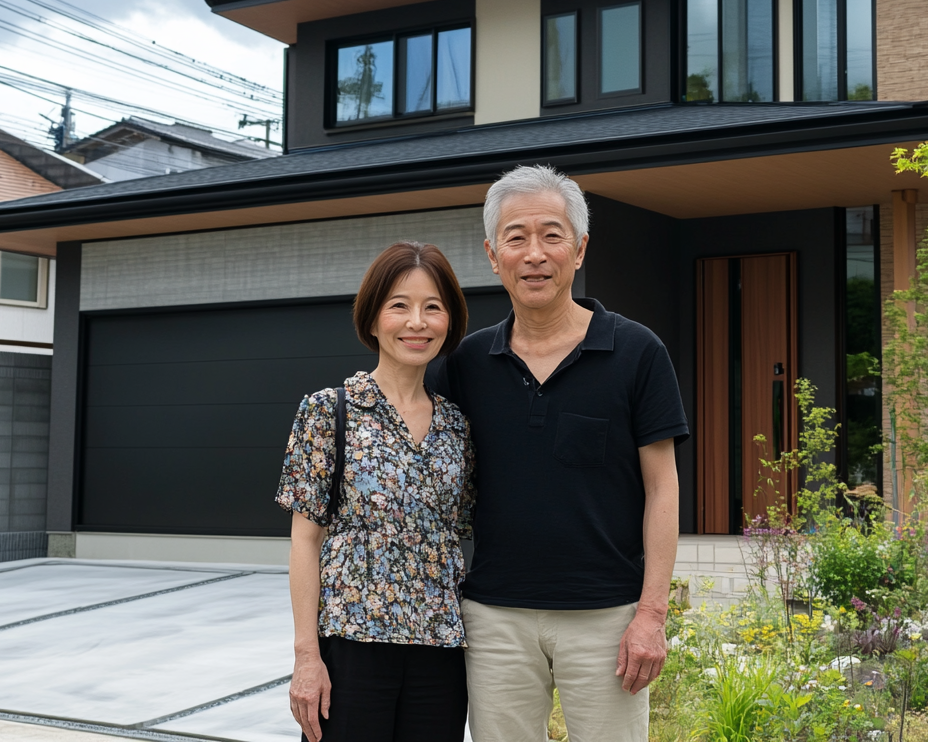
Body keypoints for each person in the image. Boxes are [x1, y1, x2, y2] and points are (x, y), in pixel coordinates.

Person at [432, 165, 687, 742]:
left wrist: (651, 615)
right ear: (493, 255)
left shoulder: (637, 351)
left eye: (552, 234)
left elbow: (662, 487)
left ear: (580, 248)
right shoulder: (466, 365)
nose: (534, 254)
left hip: (606, 616)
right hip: (495, 615)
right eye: (516, 237)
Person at [276, 241, 474, 742]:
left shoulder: (458, 425)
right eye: (400, 306)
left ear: (450, 321)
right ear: (372, 318)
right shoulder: (328, 411)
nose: (417, 322)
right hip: (351, 646)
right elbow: (305, 540)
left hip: (441, 648)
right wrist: (306, 656)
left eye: (433, 307)